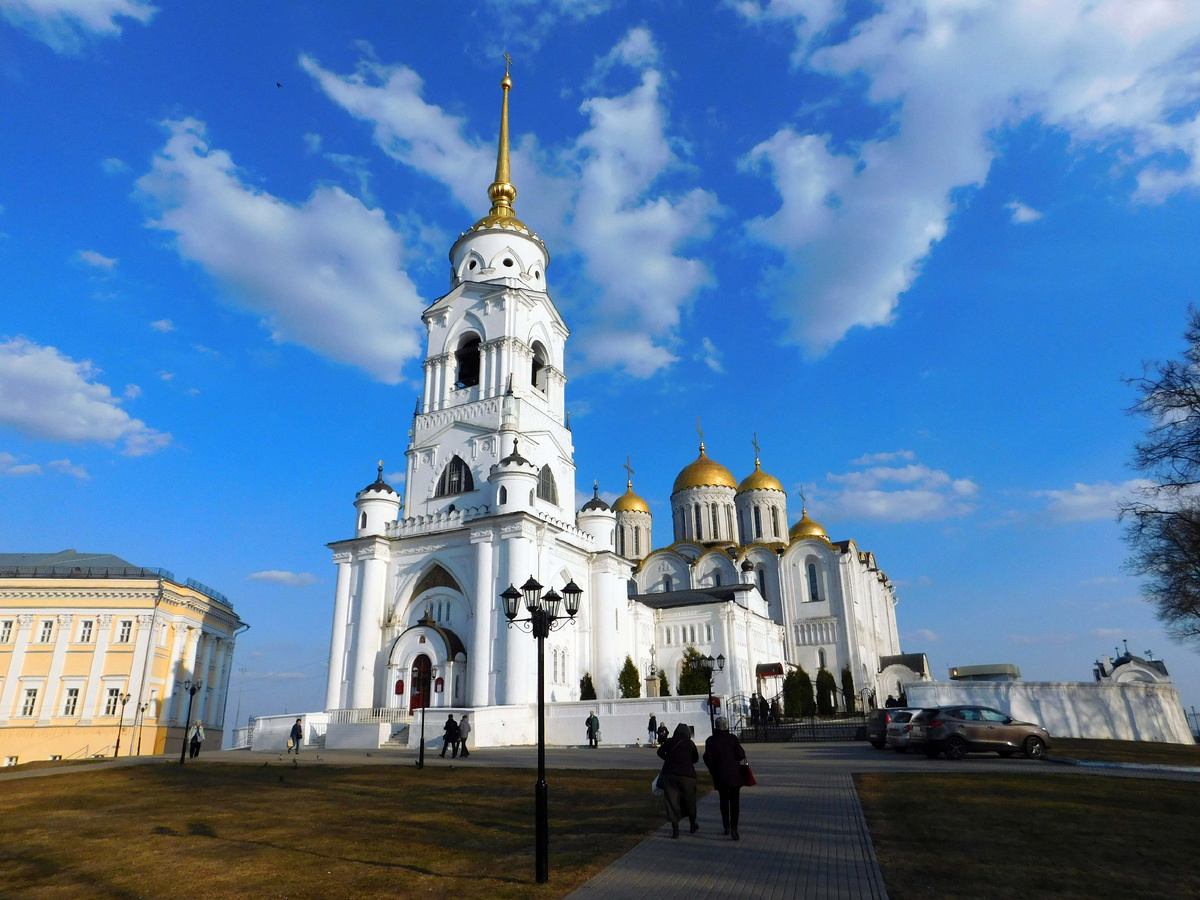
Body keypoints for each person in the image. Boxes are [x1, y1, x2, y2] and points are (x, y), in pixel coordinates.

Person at [703, 715, 748, 841]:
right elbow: (740, 755)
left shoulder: (710, 740)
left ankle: (726, 826)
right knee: (735, 802)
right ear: (727, 726)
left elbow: (707, 758)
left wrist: (713, 770)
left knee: (723, 801)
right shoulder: (732, 738)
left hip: (720, 775)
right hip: (734, 774)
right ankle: (734, 828)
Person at [657, 722, 699, 838]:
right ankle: (692, 825)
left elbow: (659, 752)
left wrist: (668, 759)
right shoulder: (690, 744)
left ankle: (675, 830)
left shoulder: (669, 742)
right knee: (690, 800)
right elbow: (695, 759)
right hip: (687, 775)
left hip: (669, 775)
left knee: (671, 802)